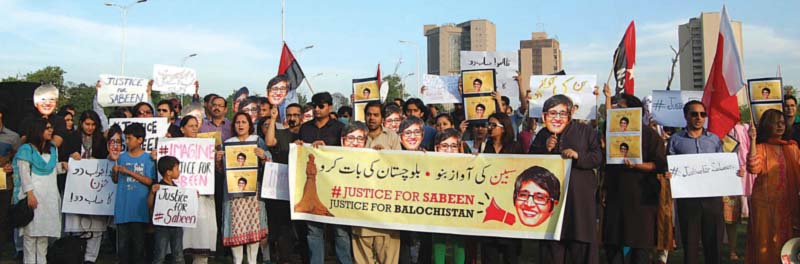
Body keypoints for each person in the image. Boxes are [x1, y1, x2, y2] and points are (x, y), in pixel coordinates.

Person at [529, 94, 602, 264]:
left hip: (578, 198)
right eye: (552, 113)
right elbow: (531, 162)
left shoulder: (585, 131)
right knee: (553, 246)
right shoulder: (543, 134)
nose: (557, 118)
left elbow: (598, 157)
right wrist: (545, 149)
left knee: (580, 242)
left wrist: (578, 156)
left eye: (562, 113)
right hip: (551, 200)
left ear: (570, 113)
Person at [602, 94, 667, 264]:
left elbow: (659, 164)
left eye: (621, 108)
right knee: (614, 244)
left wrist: (637, 165)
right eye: (615, 108)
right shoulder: (611, 132)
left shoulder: (650, 135)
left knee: (640, 248)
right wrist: (607, 98)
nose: (616, 111)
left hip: (642, 198)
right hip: (615, 196)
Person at [295, 92, 352, 264]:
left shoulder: (340, 128)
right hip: (313, 184)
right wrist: (298, 147)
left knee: (340, 230)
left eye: (321, 106)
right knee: (314, 230)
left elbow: (347, 153)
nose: (317, 109)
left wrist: (327, 149)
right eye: (314, 106)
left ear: (330, 107)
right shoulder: (305, 128)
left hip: (335, 185)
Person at [666, 100, 724, 264]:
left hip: (712, 199)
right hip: (688, 199)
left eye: (702, 114)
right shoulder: (676, 140)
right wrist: (669, 174)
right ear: (686, 116)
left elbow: (723, 165)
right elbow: (669, 164)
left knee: (713, 244)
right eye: (694, 114)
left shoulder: (715, 140)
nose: (699, 118)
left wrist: (734, 173)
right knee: (690, 245)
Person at [745, 109, 800, 264]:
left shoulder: (792, 148)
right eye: (776, 123)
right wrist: (753, 141)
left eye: (782, 123)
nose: (780, 126)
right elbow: (753, 167)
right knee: (766, 240)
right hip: (765, 205)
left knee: (789, 239)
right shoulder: (762, 148)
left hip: (789, 203)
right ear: (767, 125)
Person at [353, 103, 402, 263]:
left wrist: (385, 156)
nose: (372, 118)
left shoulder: (392, 137)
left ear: (382, 118)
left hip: (385, 206)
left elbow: (400, 166)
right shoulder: (356, 135)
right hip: (362, 206)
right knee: (363, 258)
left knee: (387, 256)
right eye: (369, 114)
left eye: (376, 115)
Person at [13, 118, 65, 264]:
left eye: (51, 128)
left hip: (49, 198)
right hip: (33, 197)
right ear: (37, 130)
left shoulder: (53, 149)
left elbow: (52, 170)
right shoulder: (26, 149)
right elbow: (24, 174)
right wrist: (30, 194)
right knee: (30, 239)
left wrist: (64, 166)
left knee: (43, 239)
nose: (51, 130)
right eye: (47, 128)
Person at [62, 110, 110, 263]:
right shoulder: (70, 139)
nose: (90, 128)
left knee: (95, 224)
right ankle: (76, 253)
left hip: (95, 187)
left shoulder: (101, 141)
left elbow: (106, 160)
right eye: (87, 124)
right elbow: (61, 157)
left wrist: (97, 160)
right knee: (77, 222)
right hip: (76, 188)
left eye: (93, 125)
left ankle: (91, 257)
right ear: (81, 124)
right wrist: (70, 157)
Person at [221, 112, 269, 264]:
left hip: (253, 192)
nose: (240, 125)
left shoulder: (257, 141)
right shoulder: (228, 143)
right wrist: (218, 159)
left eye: (244, 122)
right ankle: (237, 261)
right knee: (236, 229)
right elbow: (222, 169)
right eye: (237, 122)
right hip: (233, 193)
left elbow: (268, 161)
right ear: (233, 125)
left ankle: (253, 261)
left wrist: (263, 156)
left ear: (250, 125)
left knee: (253, 226)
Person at [110, 123, 157, 264]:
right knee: (122, 247)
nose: (127, 142)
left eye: (129, 138)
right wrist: (115, 171)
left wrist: (129, 172)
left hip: (140, 209)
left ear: (140, 140)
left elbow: (150, 181)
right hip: (122, 208)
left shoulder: (148, 159)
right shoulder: (121, 157)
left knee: (138, 247)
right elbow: (115, 180)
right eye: (126, 138)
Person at [264, 103, 304, 264]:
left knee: (303, 226)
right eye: (289, 115)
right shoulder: (282, 133)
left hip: (303, 186)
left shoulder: (306, 133)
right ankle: (285, 258)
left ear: (301, 116)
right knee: (283, 225)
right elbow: (269, 141)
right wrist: (273, 119)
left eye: (296, 115)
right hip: (283, 185)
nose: (292, 118)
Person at [175, 115, 218, 264]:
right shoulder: (176, 147)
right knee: (186, 230)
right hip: (184, 194)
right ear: (182, 129)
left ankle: (201, 259)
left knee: (203, 227)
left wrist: (216, 158)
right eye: (190, 126)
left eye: (196, 125)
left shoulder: (204, 146)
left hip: (203, 194)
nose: (194, 128)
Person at [481, 113, 523, 264]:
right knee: (489, 251)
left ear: (504, 128)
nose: (489, 128)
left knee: (510, 253)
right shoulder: (486, 146)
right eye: (489, 124)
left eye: (493, 125)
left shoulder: (515, 146)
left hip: (509, 203)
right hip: (489, 200)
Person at [431, 128, 468, 264]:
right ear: (436, 148)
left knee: (459, 240)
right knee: (438, 239)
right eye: (444, 146)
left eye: (453, 146)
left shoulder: (468, 165)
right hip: (438, 208)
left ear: (459, 148)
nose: (449, 150)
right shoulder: (428, 163)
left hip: (459, 208)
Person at [148, 156, 185, 264]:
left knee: (178, 255)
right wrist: (152, 193)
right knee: (160, 255)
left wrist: (191, 197)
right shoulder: (158, 187)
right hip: (162, 227)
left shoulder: (177, 188)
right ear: (169, 172)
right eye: (177, 169)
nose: (179, 171)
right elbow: (149, 205)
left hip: (176, 226)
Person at [0, 106, 21, 254]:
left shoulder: (13, 137)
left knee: (3, 216)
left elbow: (19, 159)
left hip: (4, 181)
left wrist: (12, 167)